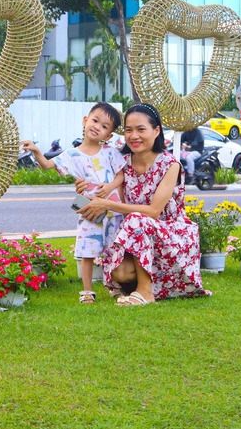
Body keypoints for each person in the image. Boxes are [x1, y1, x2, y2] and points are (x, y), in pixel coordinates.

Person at [76, 103, 209, 306]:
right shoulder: (121, 162)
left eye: (140, 129)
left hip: (169, 235)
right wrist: (84, 187)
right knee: (120, 273)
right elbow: (105, 188)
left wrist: (107, 205)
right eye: (129, 130)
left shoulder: (170, 164)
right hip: (136, 238)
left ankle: (146, 292)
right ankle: (157, 285)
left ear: (156, 131)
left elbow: (154, 212)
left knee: (138, 218)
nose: (134, 136)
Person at [22, 102, 125, 305]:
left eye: (105, 126)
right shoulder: (71, 154)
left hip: (113, 210)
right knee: (87, 249)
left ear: (109, 135)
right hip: (89, 210)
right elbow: (47, 165)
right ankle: (87, 290)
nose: (97, 127)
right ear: (85, 121)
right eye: (95, 120)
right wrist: (36, 151)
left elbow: (121, 176)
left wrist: (110, 185)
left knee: (114, 250)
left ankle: (115, 287)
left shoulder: (111, 152)